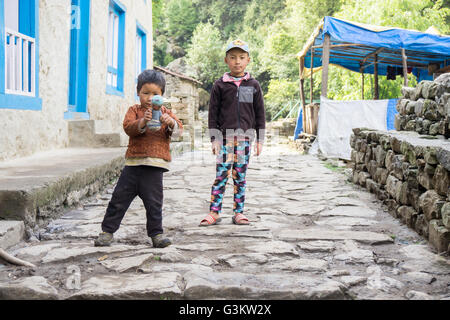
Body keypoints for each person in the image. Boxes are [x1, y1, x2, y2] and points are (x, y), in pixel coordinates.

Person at [94, 69, 183, 247]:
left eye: (155, 94)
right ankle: (107, 232)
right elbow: (128, 127)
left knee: (154, 204)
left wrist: (171, 122)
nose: (150, 98)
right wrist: (142, 122)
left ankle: (156, 235)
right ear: (138, 92)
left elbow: (179, 131)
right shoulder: (134, 110)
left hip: (154, 167)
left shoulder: (166, 112)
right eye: (145, 93)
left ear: (162, 95)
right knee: (118, 199)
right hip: (133, 166)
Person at [200, 39, 266, 227]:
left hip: (245, 140)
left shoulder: (253, 84)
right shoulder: (220, 85)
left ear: (248, 60)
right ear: (226, 60)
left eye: (241, 57)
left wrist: (260, 139)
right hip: (224, 139)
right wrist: (214, 138)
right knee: (221, 175)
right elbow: (213, 114)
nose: (237, 61)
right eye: (233, 57)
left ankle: (238, 213)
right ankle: (214, 212)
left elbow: (260, 113)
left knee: (240, 176)